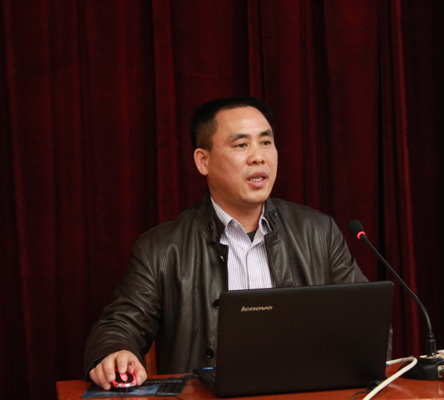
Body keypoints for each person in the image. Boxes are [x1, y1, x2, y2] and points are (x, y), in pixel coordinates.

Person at [84, 97, 368, 390]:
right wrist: (115, 353)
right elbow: (119, 326)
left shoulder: (318, 232)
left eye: (266, 142)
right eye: (241, 144)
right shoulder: (162, 248)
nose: (258, 157)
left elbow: (366, 321)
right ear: (203, 161)